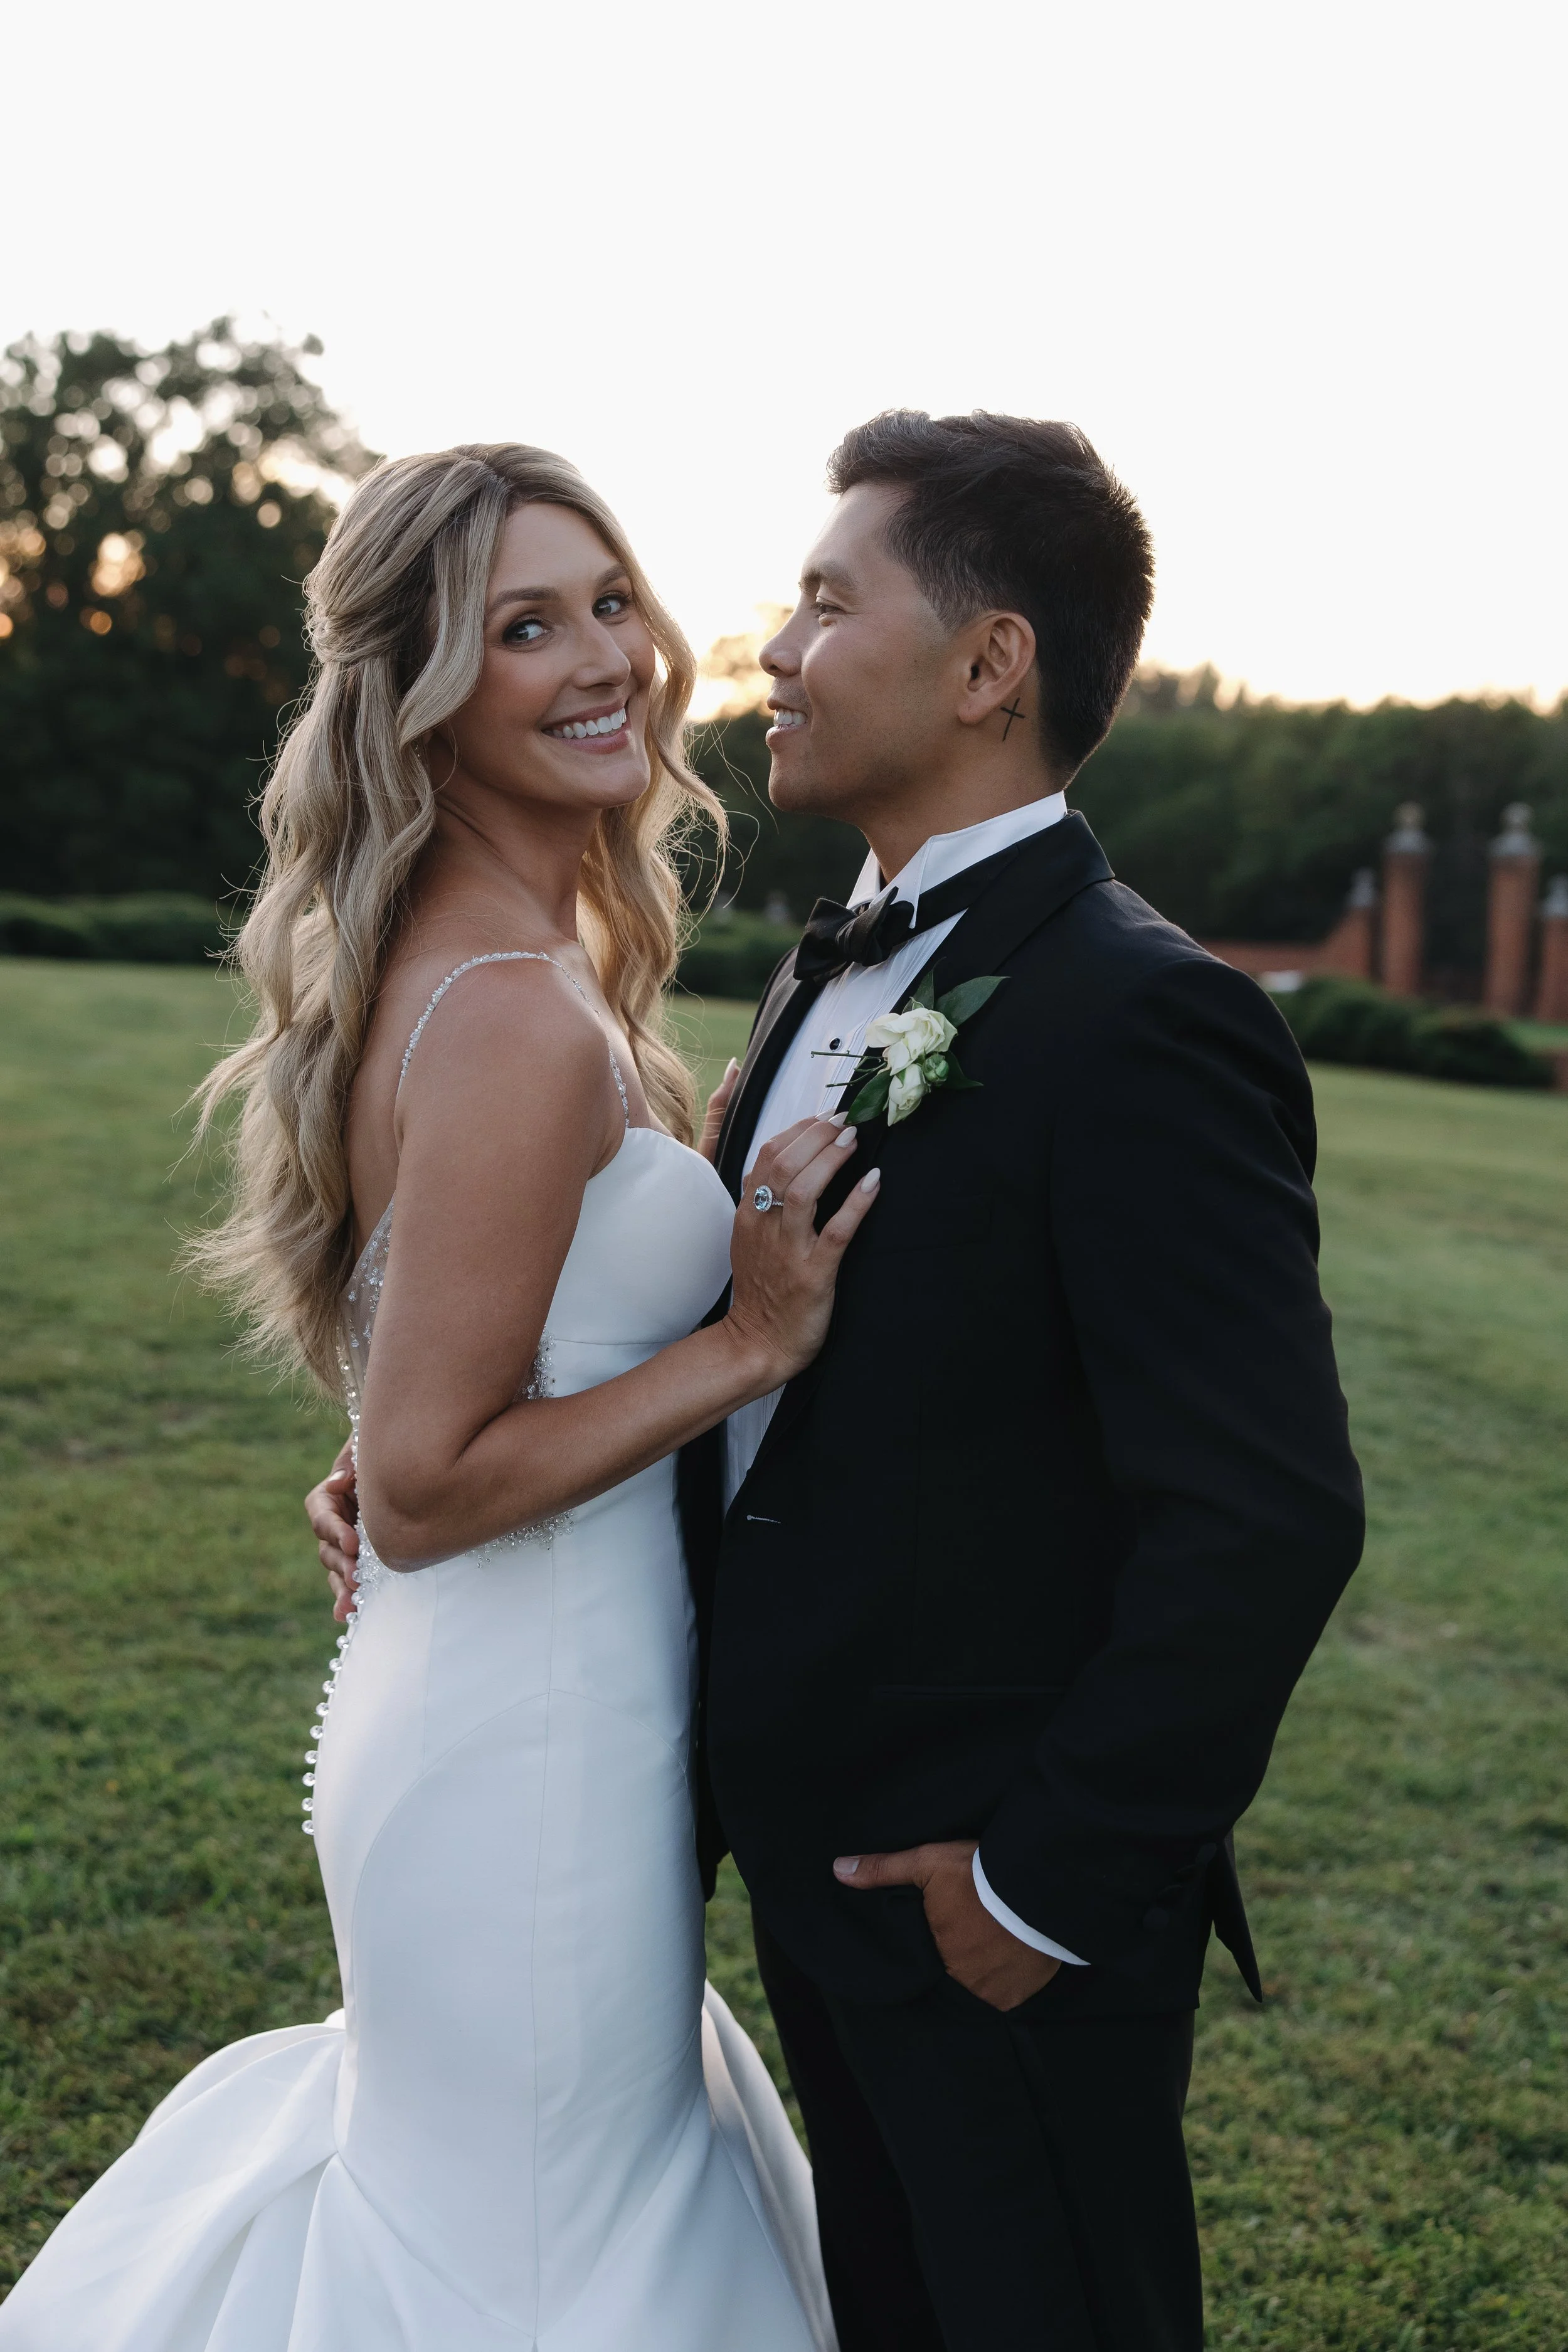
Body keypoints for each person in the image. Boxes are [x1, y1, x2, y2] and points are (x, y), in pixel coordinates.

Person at [316, 410, 1365, 2352]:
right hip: (781, 1858)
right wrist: (432, 1462)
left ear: (986, 666)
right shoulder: (816, 978)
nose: (766, 651)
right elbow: (749, 1383)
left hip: (985, 1894)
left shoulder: (1145, 1020)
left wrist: (1044, 1880)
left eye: (822, 603)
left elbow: (1267, 1512)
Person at [0, 444, 873, 2350]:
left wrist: (406, 1450)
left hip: (529, 1697)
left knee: (526, 2207)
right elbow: (422, 1482)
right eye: (524, 629)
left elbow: (439, 1395)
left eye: (611, 603)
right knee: (535, 2251)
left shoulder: (519, 967)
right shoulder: (508, 1011)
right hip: (527, 1740)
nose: (602, 660)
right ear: (424, 693)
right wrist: (746, 1342)